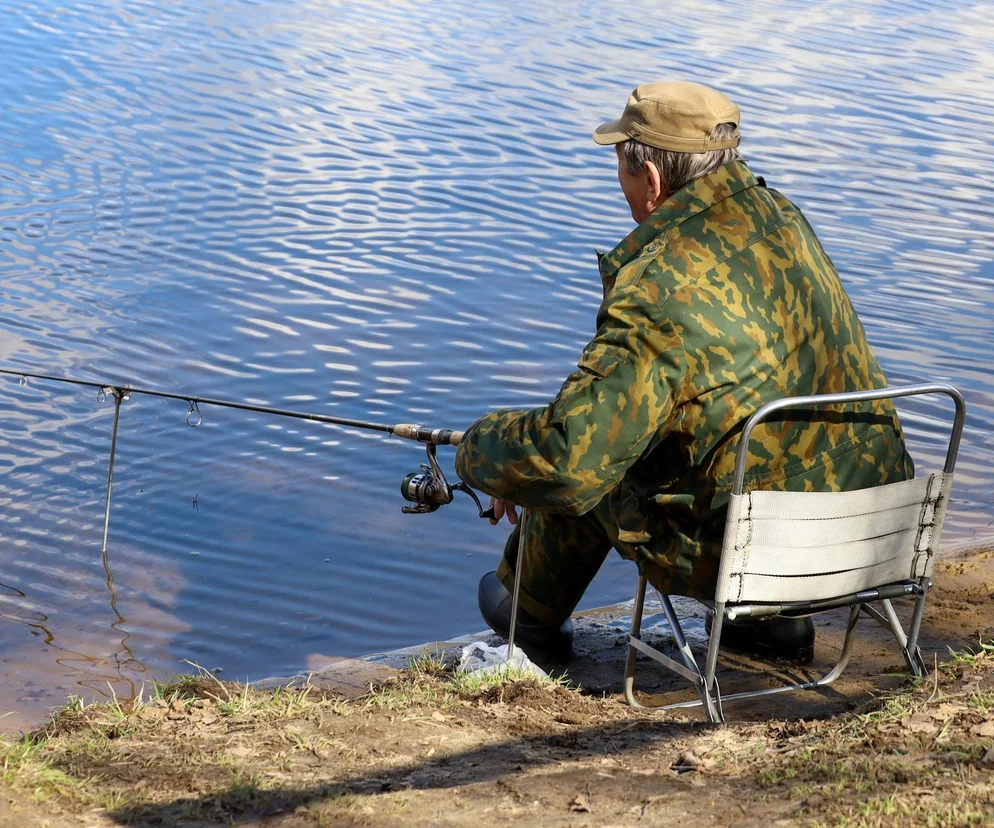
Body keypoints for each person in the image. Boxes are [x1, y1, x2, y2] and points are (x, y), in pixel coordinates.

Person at [454, 81, 913, 664]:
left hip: (757, 558)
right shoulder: (780, 217)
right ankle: (774, 627)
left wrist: (482, 453)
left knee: (591, 456)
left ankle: (524, 612)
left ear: (650, 179)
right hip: (877, 530)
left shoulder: (656, 289)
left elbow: (569, 458)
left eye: (620, 169)